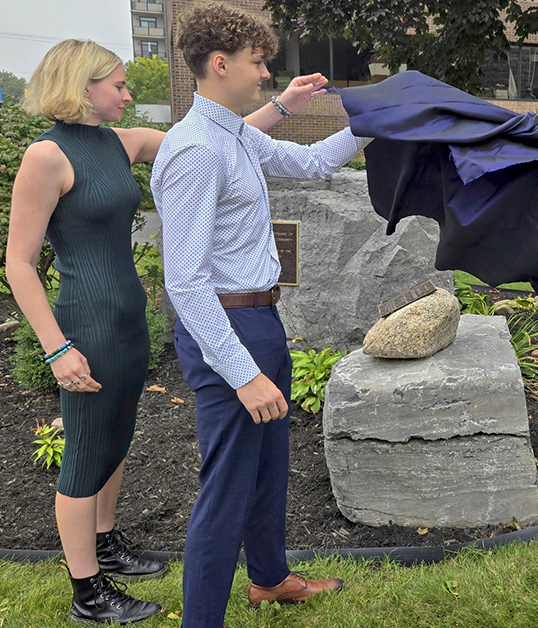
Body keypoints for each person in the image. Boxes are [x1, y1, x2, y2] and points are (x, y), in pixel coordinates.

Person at [6, 37, 327, 625]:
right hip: (86, 320)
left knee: (117, 438)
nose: (129, 94)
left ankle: (106, 546)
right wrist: (56, 347)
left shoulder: (121, 143)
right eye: (119, 84)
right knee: (84, 451)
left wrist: (282, 104)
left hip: (130, 314)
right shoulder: (45, 157)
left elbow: (218, 138)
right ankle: (87, 590)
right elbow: (18, 264)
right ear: (81, 86)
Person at [151, 3, 373, 625]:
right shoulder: (196, 151)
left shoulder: (231, 132)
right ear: (220, 65)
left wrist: (378, 122)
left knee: (270, 464)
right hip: (225, 330)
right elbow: (185, 282)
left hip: (260, 320)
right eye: (257, 64)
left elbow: (309, 163)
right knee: (226, 489)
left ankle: (269, 579)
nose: (266, 76)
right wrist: (243, 374)